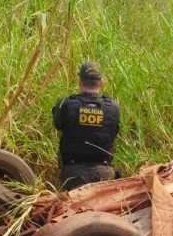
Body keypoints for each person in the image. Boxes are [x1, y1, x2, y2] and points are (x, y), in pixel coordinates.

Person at [52, 61, 121, 190]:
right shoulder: (113, 108)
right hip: (104, 174)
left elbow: (57, 124)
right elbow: (115, 131)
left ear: (80, 81)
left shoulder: (66, 105)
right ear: (101, 82)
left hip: (73, 176)